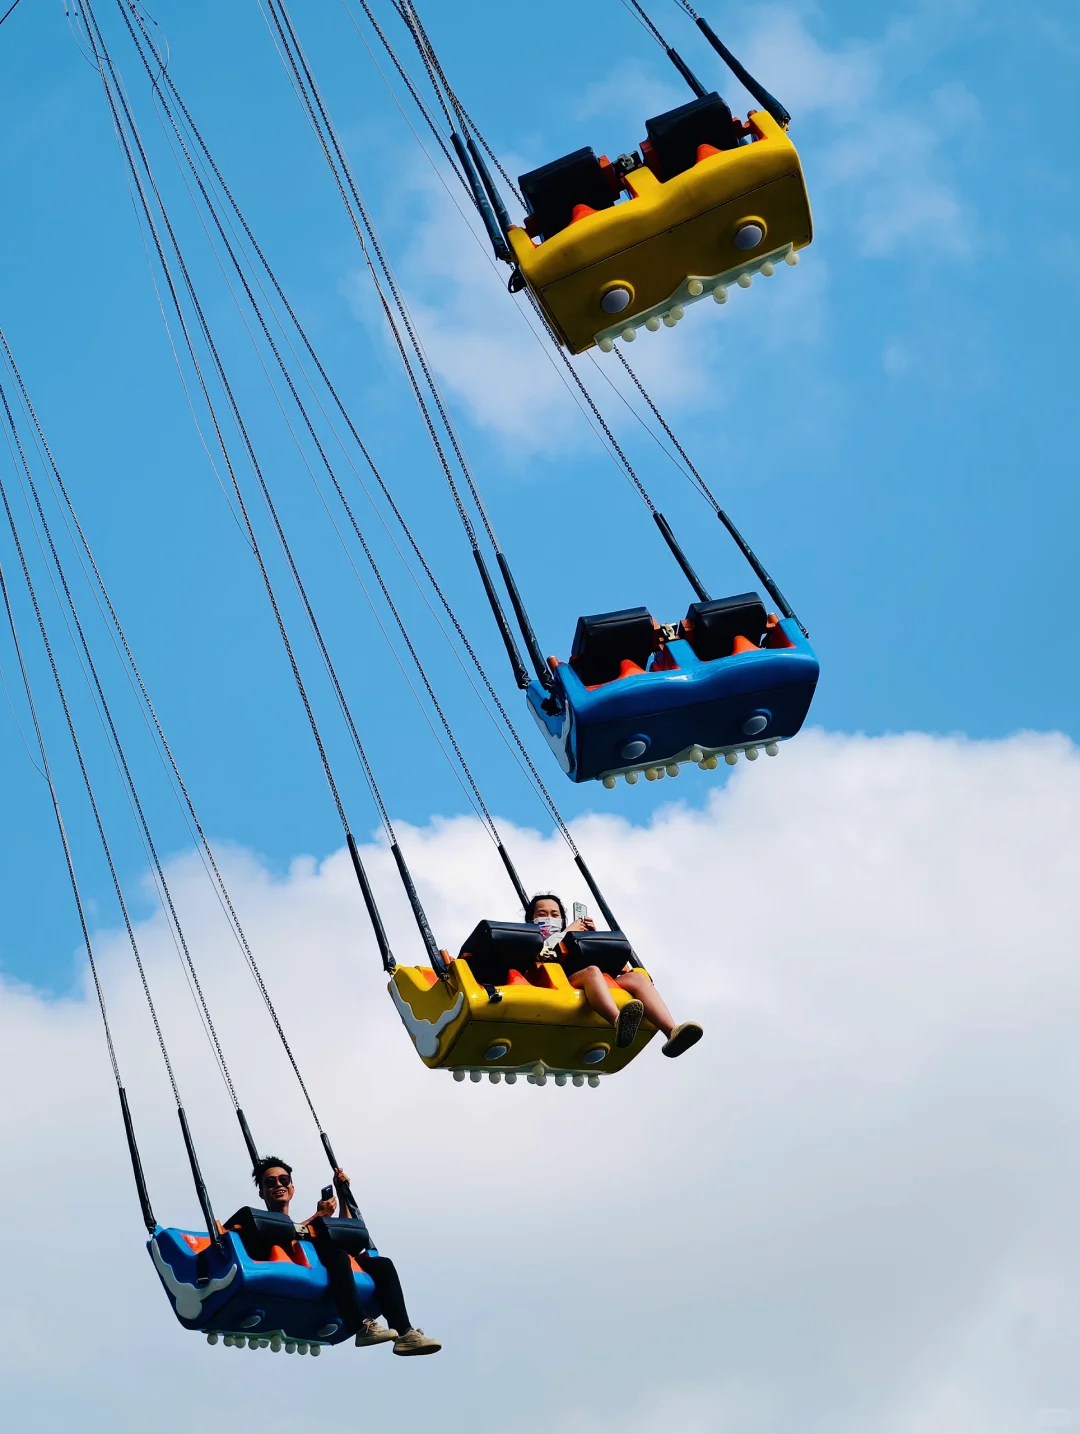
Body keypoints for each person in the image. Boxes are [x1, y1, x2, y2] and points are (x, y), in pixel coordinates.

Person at [252, 1157, 441, 1356]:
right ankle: (360, 1326)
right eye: (270, 1182)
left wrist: (343, 1194)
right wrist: (319, 1216)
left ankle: (405, 1333)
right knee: (338, 1256)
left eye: (284, 1180)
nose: (278, 1185)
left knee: (382, 1265)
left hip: (332, 1270)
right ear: (262, 1192)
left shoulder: (308, 1226)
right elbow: (283, 1236)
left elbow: (347, 1233)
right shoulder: (263, 1225)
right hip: (299, 1269)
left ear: (292, 1187)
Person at [525, 892, 703, 1057]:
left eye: (555, 915)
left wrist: (593, 937)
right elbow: (541, 953)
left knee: (637, 977)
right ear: (531, 919)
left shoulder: (572, 936)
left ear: (562, 919)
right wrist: (568, 932)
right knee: (593, 972)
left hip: (596, 981)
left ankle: (672, 1031)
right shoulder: (529, 939)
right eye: (542, 914)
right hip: (555, 983)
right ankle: (618, 1021)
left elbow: (616, 964)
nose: (549, 919)